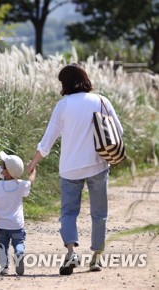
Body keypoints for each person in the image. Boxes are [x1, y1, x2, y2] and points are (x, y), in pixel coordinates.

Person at [26, 63, 123, 275]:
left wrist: (33, 163)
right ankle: (96, 257)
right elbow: (119, 130)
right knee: (99, 214)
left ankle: (71, 253)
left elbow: (48, 139)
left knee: (68, 213)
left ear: (65, 83)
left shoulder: (63, 105)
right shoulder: (101, 100)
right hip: (98, 164)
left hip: (70, 168)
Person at [0, 151, 36, 276]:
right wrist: (33, 171)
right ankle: (19, 254)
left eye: (3, 165)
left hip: (1, 224)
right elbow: (30, 182)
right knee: (19, 243)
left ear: (5, 172)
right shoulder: (20, 185)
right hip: (17, 224)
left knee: (2, 246)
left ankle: (4, 268)